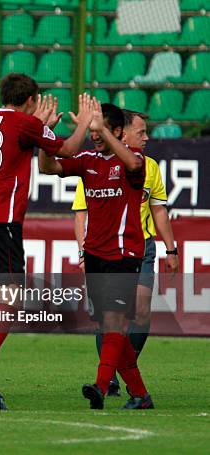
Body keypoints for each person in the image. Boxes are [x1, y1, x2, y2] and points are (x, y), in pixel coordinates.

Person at [0, 73, 95, 410]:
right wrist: (83, 124)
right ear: (31, 100)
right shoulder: (23, 122)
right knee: (10, 301)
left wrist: (36, 127)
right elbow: (68, 149)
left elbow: (28, 152)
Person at [40, 102, 154, 410]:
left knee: (113, 321)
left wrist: (101, 126)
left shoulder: (135, 160)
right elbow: (47, 167)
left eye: (99, 130)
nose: (94, 136)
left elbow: (131, 164)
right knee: (108, 325)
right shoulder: (87, 161)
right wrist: (43, 133)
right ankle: (141, 395)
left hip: (123, 253)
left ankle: (101, 387)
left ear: (116, 131)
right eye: (91, 131)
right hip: (95, 255)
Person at [72, 109, 179, 396]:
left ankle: (111, 377)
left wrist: (172, 248)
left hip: (139, 247)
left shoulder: (146, 165)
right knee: (110, 318)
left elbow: (158, 208)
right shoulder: (94, 164)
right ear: (123, 132)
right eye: (141, 132)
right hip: (102, 248)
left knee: (138, 312)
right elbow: (82, 212)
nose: (146, 137)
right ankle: (122, 383)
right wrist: (82, 252)